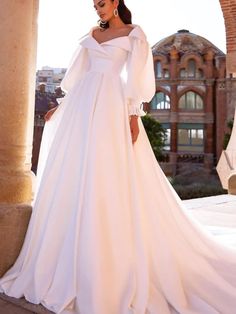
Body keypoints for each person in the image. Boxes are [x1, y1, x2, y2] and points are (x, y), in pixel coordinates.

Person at [0, 1, 236, 313]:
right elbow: (77, 73)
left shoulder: (134, 33)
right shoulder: (91, 34)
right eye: (94, 4)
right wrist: (63, 104)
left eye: (102, 2)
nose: (97, 8)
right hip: (83, 103)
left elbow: (138, 76)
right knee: (75, 170)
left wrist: (134, 113)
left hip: (111, 101)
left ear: (115, 3)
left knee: (106, 171)